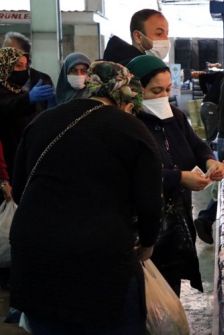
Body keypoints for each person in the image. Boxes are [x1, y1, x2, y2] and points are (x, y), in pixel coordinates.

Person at [9, 61, 163, 334]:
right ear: (125, 95)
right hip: (99, 260)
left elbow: (20, 188)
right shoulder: (131, 129)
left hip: (35, 255)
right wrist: (148, 243)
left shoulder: (42, 121)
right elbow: (150, 200)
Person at [127, 55, 224, 295]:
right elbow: (134, 174)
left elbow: (196, 145)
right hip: (144, 228)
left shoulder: (175, 117)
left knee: (170, 287)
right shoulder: (128, 125)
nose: (163, 96)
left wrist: (211, 161)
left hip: (176, 222)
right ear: (134, 91)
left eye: (167, 89)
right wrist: (178, 177)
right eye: (155, 90)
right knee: (147, 293)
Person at [0, 47, 54, 180]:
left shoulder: (21, 89)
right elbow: (6, 107)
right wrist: (28, 99)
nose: (23, 71)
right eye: (18, 66)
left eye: (25, 66)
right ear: (5, 66)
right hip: (7, 157)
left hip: (29, 151)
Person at [103, 9, 170, 65]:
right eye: (159, 33)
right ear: (138, 37)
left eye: (167, 34)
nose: (166, 39)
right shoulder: (139, 70)